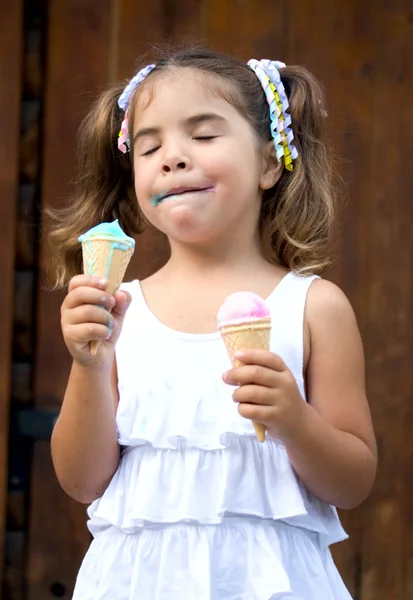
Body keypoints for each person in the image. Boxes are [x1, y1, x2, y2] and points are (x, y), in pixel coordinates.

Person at [49, 46, 377, 599]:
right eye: (149, 146)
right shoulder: (118, 310)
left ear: (270, 163)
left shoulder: (314, 307)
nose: (173, 157)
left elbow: (353, 483)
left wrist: (294, 420)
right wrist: (89, 364)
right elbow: (83, 481)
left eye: (203, 137)